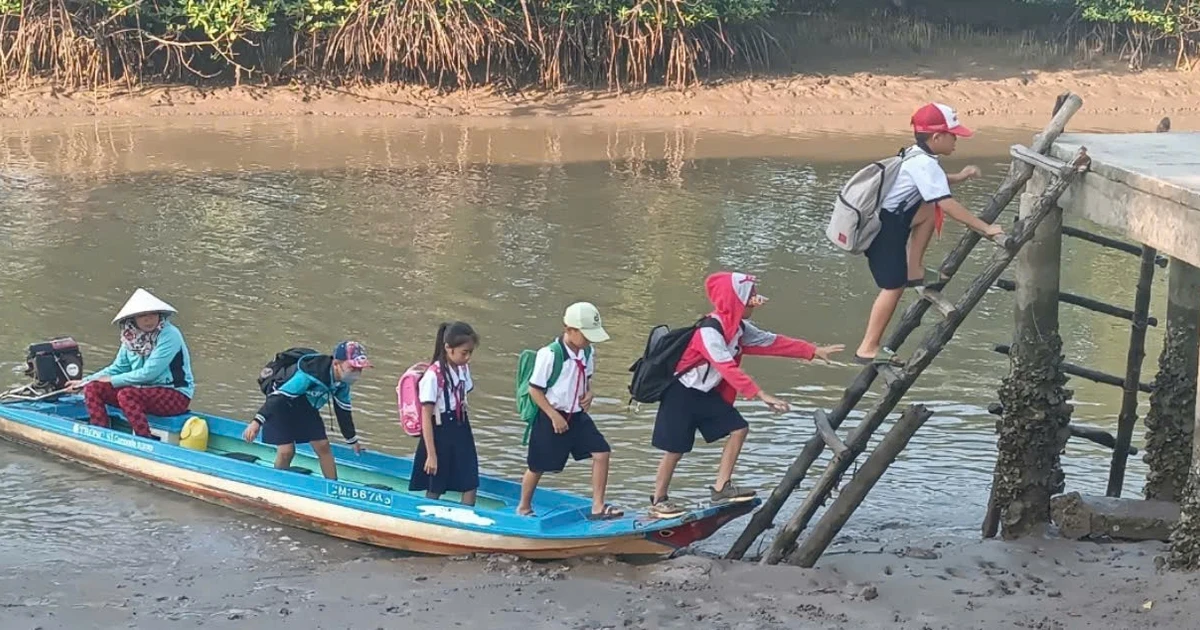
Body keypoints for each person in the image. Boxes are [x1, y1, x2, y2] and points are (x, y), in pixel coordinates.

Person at [648, 272, 843, 519]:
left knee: (739, 428)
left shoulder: (738, 328)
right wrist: (761, 394)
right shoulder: (708, 332)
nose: (756, 301)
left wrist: (812, 351)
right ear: (735, 300)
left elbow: (772, 342)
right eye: (750, 296)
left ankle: (721, 487)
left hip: (706, 394)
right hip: (681, 394)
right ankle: (659, 500)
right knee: (675, 450)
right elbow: (726, 367)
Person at [855, 102, 1005, 366]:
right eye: (953, 135)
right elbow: (947, 203)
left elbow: (932, 182)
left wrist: (961, 176)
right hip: (883, 231)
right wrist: (985, 228)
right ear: (936, 137)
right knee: (893, 287)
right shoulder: (924, 163)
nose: (957, 140)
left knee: (928, 207)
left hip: (894, 220)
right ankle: (867, 347)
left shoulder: (916, 155)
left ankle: (915, 269)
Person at [516, 302, 622, 520]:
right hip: (551, 416)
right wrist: (553, 415)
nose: (589, 340)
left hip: (576, 416)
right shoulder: (550, 354)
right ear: (569, 330)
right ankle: (524, 506)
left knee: (602, 452)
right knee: (537, 465)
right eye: (585, 335)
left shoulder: (587, 352)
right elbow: (535, 390)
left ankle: (598, 506)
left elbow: (587, 379)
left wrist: (589, 393)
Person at [65, 288, 195, 440]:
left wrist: (113, 381)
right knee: (93, 388)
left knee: (127, 395)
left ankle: (144, 440)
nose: (148, 320)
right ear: (133, 320)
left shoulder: (170, 335)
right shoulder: (131, 338)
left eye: (152, 314)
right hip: (143, 391)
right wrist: (85, 381)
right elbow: (118, 367)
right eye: (142, 316)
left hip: (176, 394)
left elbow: (149, 373)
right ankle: (100, 434)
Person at [241, 341, 370, 480]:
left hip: (305, 405)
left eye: (360, 369)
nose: (357, 373)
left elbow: (343, 412)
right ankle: (277, 482)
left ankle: (332, 486)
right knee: (287, 451)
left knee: (323, 446)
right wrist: (257, 422)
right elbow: (278, 398)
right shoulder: (310, 374)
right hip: (282, 402)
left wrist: (352, 440)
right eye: (352, 368)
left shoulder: (342, 384)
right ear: (336, 364)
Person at [409, 322, 481, 505]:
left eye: (470, 352)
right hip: (440, 431)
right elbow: (426, 416)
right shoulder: (433, 376)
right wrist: (431, 454)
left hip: (461, 426)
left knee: (470, 479)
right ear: (448, 348)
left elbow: (465, 390)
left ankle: (467, 518)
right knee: (436, 483)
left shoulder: (462, 368)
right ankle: (428, 518)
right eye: (464, 353)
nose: (468, 358)